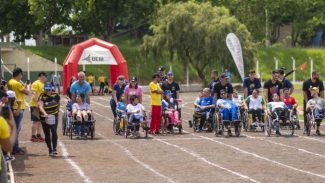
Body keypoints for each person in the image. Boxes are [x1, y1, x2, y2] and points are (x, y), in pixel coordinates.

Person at [8, 67, 29, 155]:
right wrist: (28, 86)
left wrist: (24, 86)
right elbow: (27, 92)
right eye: (21, 75)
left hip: (13, 106)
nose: (21, 77)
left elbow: (20, 90)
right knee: (16, 129)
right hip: (18, 106)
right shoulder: (17, 83)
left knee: (14, 128)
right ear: (19, 74)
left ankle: (14, 147)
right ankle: (15, 148)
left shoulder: (10, 82)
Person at [38, 82, 60, 156]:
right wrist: (45, 114)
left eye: (49, 90)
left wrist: (57, 111)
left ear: (51, 89)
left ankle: (54, 148)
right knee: (47, 133)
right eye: (46, 90)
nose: (47, 91)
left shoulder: (56, 95)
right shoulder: (42, 96)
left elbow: (58, 103)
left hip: (54, 116)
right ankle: (50, 149)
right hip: (44, 117)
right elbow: (40, 106)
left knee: (54, 131)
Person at [29, 72, 47, 142]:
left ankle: (39, 135)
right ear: (41, 76)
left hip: (40, 105)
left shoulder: (43, 84)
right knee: (35, 121)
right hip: (35, 105)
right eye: (45, 76)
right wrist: (37, 102)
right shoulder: (36, 83)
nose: (46, 78)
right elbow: (33, 94)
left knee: (40, 121)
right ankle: (33, 136)